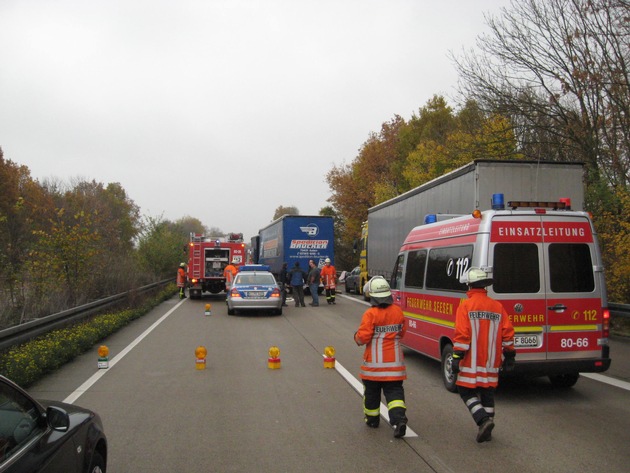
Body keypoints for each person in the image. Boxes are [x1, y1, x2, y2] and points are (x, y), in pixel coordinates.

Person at [452, 267, 516, 443]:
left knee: (464, 390)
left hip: (471, 361)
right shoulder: (497, 306)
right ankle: (487, 428)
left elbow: (462, 334)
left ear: (469, 286)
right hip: (491, 361)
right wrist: (510, 355)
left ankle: (483, 420)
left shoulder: (465, 306)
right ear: (484, 286)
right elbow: (508, 333)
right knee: (488, 393)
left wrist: (457, 357)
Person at [354, 278, 408, 438]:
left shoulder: (370, 314)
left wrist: (356, 337)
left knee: (371, 393)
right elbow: (402, 333)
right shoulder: (397, 311)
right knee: (395, 394)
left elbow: (362, 338)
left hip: (374, 367)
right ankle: (399, 421)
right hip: (395, 366)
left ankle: (372, 420)